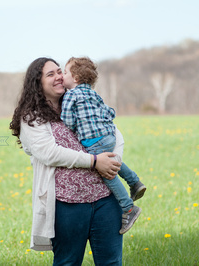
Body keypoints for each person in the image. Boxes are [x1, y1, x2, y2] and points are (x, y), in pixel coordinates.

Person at [10, 57, 125, 265]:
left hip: (105, 200)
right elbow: (49, 152)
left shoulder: (79, 99)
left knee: (112, 262)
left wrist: (113, 160)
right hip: (67, 205)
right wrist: (94, 161)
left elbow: (114, 132)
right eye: (50, 74)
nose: (59, 77)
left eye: (60, 71)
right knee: (67, 262)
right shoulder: (32, 117)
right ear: (38, 83)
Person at [61, 56, 146, 234]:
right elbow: (109, 112)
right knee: (112, 159)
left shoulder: (70, 95)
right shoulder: (94, 94)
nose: (62, 75)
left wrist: (73, 126)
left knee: (107, 173)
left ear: (75, 78)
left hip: (92, 140)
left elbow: (67, 120)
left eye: (65, 72)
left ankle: (128, 208)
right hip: (108, 136)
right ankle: (135, 182)